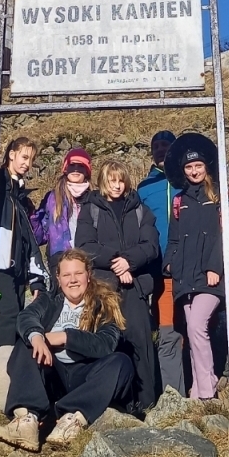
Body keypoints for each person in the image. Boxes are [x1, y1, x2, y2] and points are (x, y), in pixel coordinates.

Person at [0, 249, 133, 452]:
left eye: (78, 273)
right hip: (52, 372)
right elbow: (26, 317)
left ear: (88, 275)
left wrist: (65, 336)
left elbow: (105, 343)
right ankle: (28, 419)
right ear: (58, 278)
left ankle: (72, 418)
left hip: (86, 376)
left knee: (121, 362)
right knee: (27, 343)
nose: (72, 280)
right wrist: (37, 336)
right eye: (66, 275)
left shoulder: (104, 303)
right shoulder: (49, 300)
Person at [75, 159, 160, 412]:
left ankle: (147, 404)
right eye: (112, 180)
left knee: (141, 345)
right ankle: (111, 403)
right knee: (107, 344)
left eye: (121, 180)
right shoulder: (90, 210)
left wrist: (129, 262)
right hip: (104, 289)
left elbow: (151, 246)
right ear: (103, 181)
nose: (117, 185)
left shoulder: (141, 210)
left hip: (135, 288)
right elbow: (85, 245)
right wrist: (116, 262)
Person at [163, 133, 229, 400]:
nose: (194, 171)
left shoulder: (222, 197)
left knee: (197, 326)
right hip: (184, 277)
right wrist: (170, 264)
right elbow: (174, 239)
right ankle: (198, 389)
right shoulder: (179, 201)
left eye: (198, 165)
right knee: (192, 331)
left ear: (207, 166)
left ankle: (207, 390)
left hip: (211, 277)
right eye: (189, 167)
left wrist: (215, 267)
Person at [0, 137, 49, 351]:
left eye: (31, 159)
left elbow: (27, 239)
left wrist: (36, 279)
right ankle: (1, 362)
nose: (27, 164)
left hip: (17, 265)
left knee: (17, 313)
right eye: (24, 157)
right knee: (9, 312)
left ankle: (11, 360)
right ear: (11, 154)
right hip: (0, 263)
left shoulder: (18, 194)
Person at [137, 131, 185, 396]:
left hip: (190, 270)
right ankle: (172, 396)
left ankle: (202, 391)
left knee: (196, 331)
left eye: (165, 145)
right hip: (159, 272)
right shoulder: (144, 188)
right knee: (167, 332)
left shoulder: (188, 181)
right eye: (155, 146)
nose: (160, 149)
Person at [31, 148, 93, 277]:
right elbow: (40, 236)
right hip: (59, 259)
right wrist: (32, 217)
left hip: (88, 259)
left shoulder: (95, 198)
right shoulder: (52, 198)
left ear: (87, 171)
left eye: (81, 166)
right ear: (65, 168)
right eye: (72, 165)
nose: (76, 170)